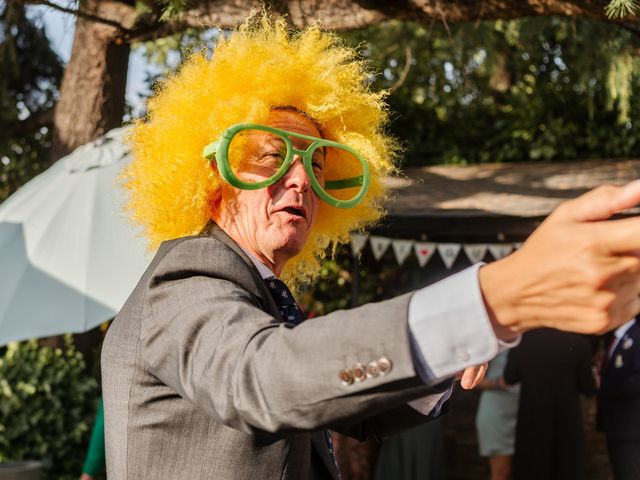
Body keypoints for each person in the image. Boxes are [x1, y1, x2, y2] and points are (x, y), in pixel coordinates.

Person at [101, 15, 640, 480]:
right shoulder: (185, 280)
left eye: (316, 164)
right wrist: (491, 297)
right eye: (271, 156)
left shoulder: (256, 294)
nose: (302, 181)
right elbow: (266, 377)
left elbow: (352, 413)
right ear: (212, 174)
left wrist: (453, 353)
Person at [503, 329, 597, 480]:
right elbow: (589, 388)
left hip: (532, 421)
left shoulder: (523, 341)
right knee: (567, 470)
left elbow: (509, 377)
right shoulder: (579, 343)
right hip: (567, 424)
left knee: (531, 470)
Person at [597, 316, 640, 480]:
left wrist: (605, 384)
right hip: (618, 427)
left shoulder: (637, 336)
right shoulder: (619, 336)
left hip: (631, 430)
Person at [475, 350, 519, 480]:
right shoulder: (494, 338)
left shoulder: (535, 336)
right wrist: (499, 383)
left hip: (528, 408)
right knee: (501, 470)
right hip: (498, 411)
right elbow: (470, 380)